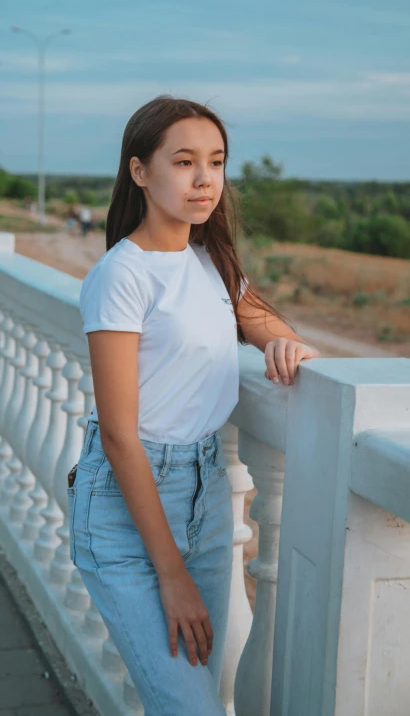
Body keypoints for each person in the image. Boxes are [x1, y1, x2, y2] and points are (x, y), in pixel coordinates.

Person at [69, 95, 321, 715]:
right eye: (184, 162)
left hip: (206, 493)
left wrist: (281, 340)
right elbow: (120, 436)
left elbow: (256, 315)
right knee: (190, 707)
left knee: (199, 691)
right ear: (139, 172)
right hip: (127, 507)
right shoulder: (121, 276)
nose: (205, 178)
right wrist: (172, 576)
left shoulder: (211, 260)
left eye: (216, 161)